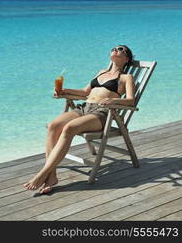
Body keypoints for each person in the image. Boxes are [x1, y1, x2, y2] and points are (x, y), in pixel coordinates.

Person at [24, 45, 135, 194]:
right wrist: (64, 91)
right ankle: (52, 176)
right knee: (53, 126)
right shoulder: (102, 72)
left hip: (101, 113)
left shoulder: (126, 77)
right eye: (114, 48)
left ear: (126, 58)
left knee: (69, 128)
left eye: (120, 49)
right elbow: (84, 92)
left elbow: (131, 101)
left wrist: (113, 101)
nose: (115, 50)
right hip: (84, 108)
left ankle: (42, 174)